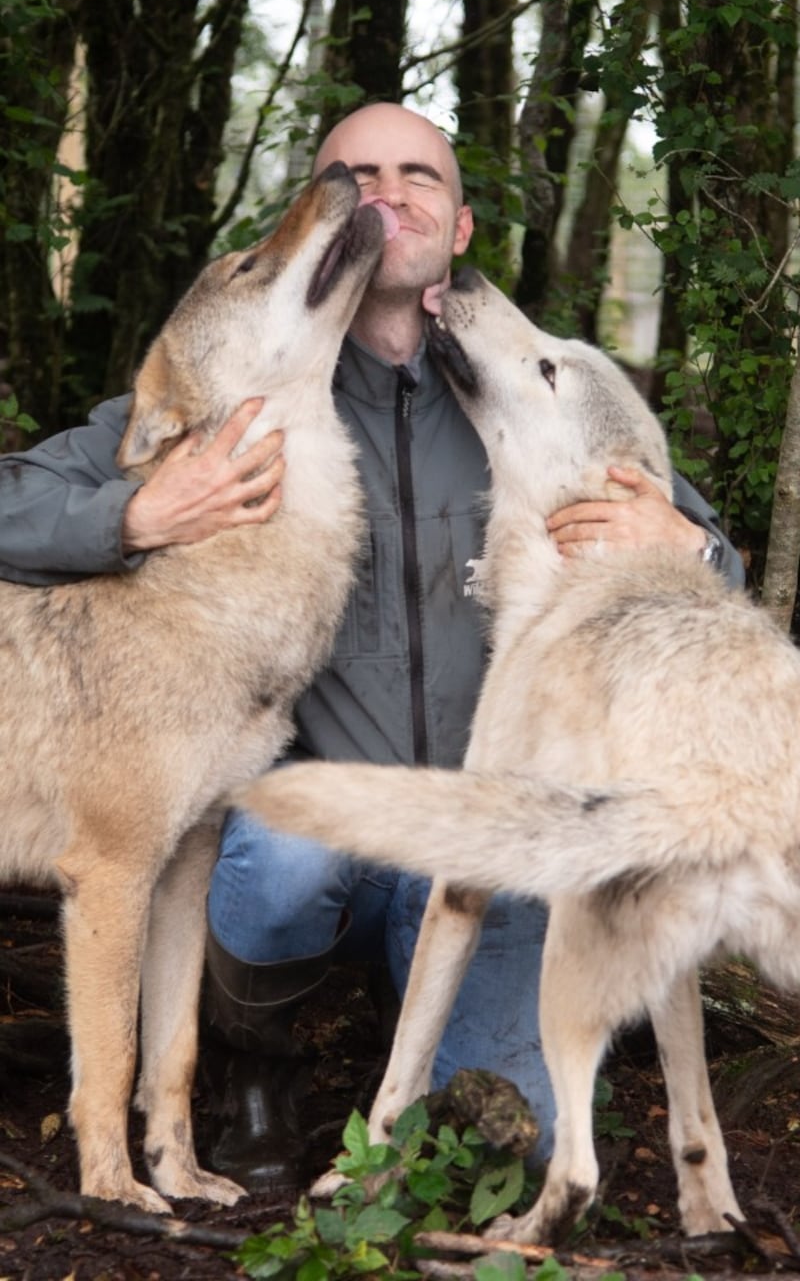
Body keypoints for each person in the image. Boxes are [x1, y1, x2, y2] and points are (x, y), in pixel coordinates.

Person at [0, 103, 744, 1194]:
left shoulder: (520, 402)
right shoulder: (248, 390)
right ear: (331, 221)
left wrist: (691, 548)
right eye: (355, 174)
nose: (384, 192)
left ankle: (420, 1057)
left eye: (416, 175)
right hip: (312, 828)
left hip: (472, 837)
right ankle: (257, 1065)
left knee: (513, 1137)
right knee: (273, 858)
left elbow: (691, 555)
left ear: (461, 227)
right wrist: (133, 517)